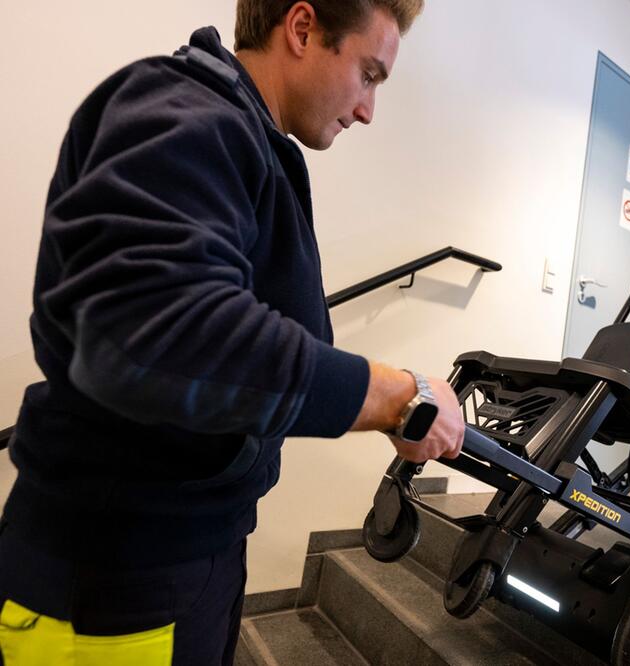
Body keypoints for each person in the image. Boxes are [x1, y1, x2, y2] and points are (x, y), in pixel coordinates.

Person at [0, 1, 463, 663]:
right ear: (302, 29)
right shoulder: (186, 111)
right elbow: (157, 332)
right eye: (369, 74)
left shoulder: (247, 141)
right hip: (113, 583)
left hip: (187, 555)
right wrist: (396, 395)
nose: (367, 110)